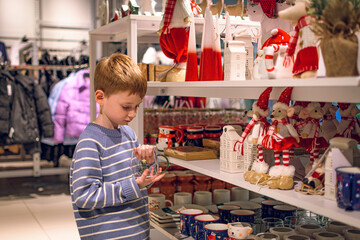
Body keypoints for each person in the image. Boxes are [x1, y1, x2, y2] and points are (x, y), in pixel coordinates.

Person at [70, 52, 165, 240]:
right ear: (100, 97)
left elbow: (139, 179)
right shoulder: (90, 142)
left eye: (137, 106)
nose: (133, 113)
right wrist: (132, 186)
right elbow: (84, 196)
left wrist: (149, 162)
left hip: (137, 231)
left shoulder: (128, 134)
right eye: (126, 106)